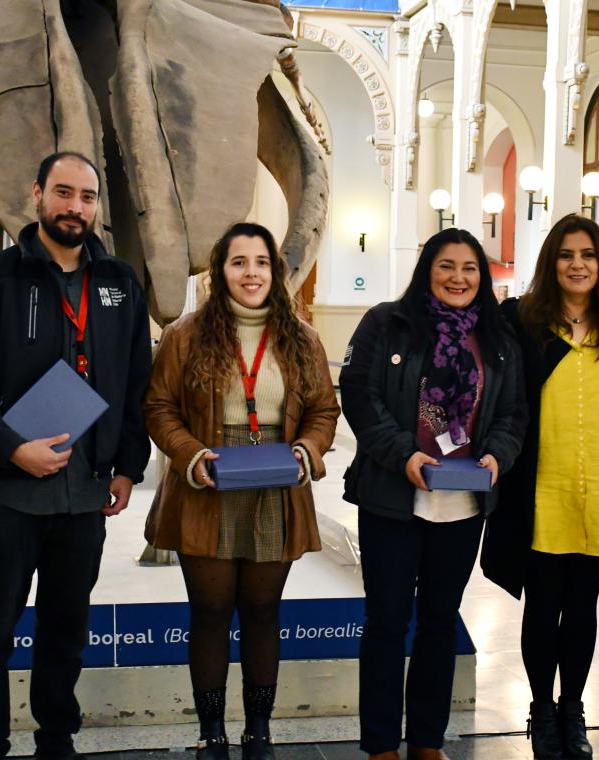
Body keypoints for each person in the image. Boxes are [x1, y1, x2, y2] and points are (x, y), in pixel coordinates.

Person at [0, 152, 152, 760]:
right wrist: (13, 448)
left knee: (65, 633)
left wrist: (128, 467)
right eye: (64, 193)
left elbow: (136, 382)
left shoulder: (118, 283)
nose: (76, 207)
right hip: (7, 497)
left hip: (84, 499)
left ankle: (56, 739)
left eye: (87, 198)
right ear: (37, 194)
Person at [143, 222, 339, 760]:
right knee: (208, 611)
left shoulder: (302, 337)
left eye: (261, 262)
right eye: (238, 262)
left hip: (276, 482)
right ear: (220, 270)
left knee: (261, 610)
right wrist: (190, 455)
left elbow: (324, 409)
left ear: (275, 272)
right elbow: (158, 408)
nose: (251, 273)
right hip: (207, 481)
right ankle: (211, 732)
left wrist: (307, 450)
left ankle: (259, 730)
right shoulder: (184, 334)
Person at [340, 227, 526, 760]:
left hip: (463, 502)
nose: (458, 278)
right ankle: (379, 744)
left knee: (441, 622)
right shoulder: (386, 324)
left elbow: (514, 414)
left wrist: (498, 455)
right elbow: (361, 395)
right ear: (427, 270)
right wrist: (403, 453)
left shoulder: (497, 340)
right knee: (386, 621)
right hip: (392, 500)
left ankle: (426, 740)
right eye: (447, 266)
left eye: (469, 268)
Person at [481, 213, 599, 760]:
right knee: (542, 604)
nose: (578, 265)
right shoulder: (521, 323)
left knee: (583, 608)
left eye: (589, 255)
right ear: (552, 263)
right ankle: (540, 709)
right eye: (567, 255)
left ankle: (572, 710)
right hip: (541, 491)